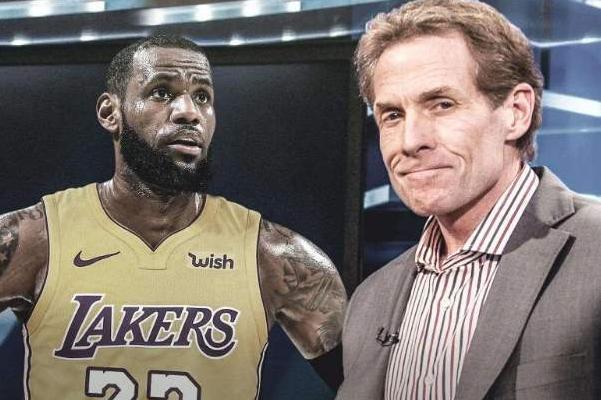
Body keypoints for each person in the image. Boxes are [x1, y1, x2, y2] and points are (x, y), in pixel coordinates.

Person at [0, 34, 347, 399]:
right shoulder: (34, 240)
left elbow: (369, 385)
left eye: (203, 97)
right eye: (162, 92)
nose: (189, 112)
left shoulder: (277, 258)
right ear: (109, 113)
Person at [337, 0, 601, 399]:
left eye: (442, 105)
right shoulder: (368, 302)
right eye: (392, 115)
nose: (410, 141)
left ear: (516, 112)